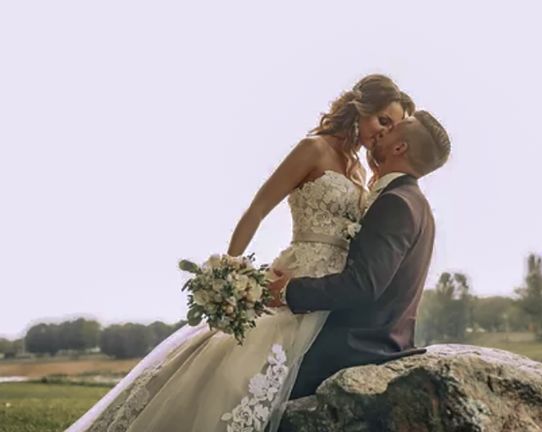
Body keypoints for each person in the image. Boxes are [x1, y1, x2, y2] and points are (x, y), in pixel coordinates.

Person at [65, 74, 414, 432]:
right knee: (234, 371)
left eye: (393, 127)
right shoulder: (314, 148)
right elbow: (258, 209)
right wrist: (229, 272)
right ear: (360, 108)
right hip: (293, 273)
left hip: (328, 288)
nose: (384, 132)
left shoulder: (359, 170)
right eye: (382, 120)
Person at [267, 110, 451, 399]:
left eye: (392, 129)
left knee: (253, 375)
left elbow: (364, 285)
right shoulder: (415, 203)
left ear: (399, 147)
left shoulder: (395, 204)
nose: (381, 132)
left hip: (356, 347)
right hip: (381, 342)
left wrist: (289, 292)